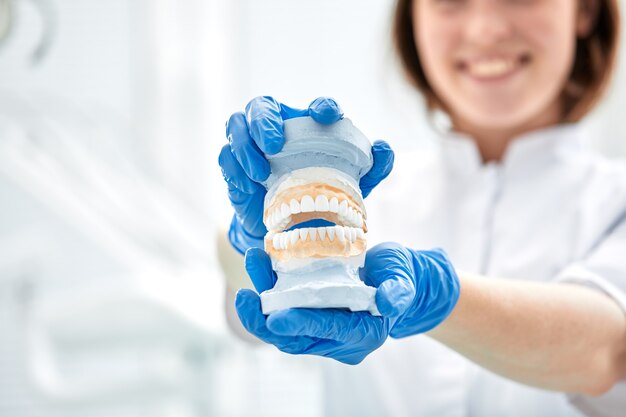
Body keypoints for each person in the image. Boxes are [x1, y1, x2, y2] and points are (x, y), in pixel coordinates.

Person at [218, 0, 626, 415]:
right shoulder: (364, 200)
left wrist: (439, 297)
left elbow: (608, 349)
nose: (485, 30)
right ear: (413, 17)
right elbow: (239, 303)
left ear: (586, 11)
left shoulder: (618, 201)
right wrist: (260, 243)